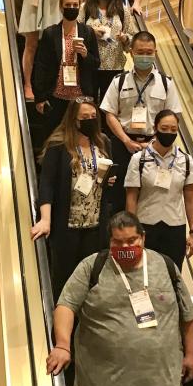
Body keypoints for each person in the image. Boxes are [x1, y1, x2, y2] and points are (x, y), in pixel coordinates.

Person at [46, 211, 193, 386]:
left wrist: (191, 354)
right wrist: (62, 345)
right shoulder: (92, 266)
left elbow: (188, 316)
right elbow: (66, 305)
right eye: (118, 242)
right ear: (109, 241)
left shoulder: (165, 266)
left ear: (143, 237)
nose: (125, 247)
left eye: (131, 240)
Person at [31, 98, 113, 299]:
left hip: (95, 226)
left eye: (93, 116)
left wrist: (108, 180)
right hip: (67, 227)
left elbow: (103, 177)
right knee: (64, 282)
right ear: (73, 119)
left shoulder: (103, 142)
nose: (90, 121)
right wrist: (45, 219)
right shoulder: (59, 146)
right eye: (85, 117)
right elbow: (47, 184)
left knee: (91, 282)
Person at [100, 31, 182, 213]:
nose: (145, 56)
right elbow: (110, 114)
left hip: (155, 146)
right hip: (122, 145)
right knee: (119, 195)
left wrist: (154, 142)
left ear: (155, 53)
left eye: (149, 52)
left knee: (150, 195)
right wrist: (126, 141)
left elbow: (174, 116)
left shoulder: (166, 83)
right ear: (131, 52)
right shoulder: (119, 81)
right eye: (140, 52)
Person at [125, 110, 193, 271]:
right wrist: (131, 230)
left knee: (172, 276)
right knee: (142, 274)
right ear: (155, 128)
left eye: (173, 129)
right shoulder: (139, 159)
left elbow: (191, 198)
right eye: (164, 128)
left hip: (175, 227)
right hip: (145, 226)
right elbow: (131, 197)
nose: (169, 133)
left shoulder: (186, 160)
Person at [33, 0, 100, 140]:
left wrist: (85, 54)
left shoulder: (88, 32)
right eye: (68, 5)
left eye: (75, 5)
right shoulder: (50, 33)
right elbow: (41, 66)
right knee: (53, 137)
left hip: (80, 96)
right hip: (56, 95)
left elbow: (96, 63)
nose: (72, 8)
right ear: (61, 7)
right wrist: (40, 97)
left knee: (79, 138)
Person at [77, 0, 136, 106]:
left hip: (114, 67)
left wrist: (125, 38)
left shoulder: (122, 10)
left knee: (110, 107)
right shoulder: (85, 8)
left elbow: (133, 36)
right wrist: (91, 31)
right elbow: (76, 31)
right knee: (88, 105)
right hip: (90, 66)